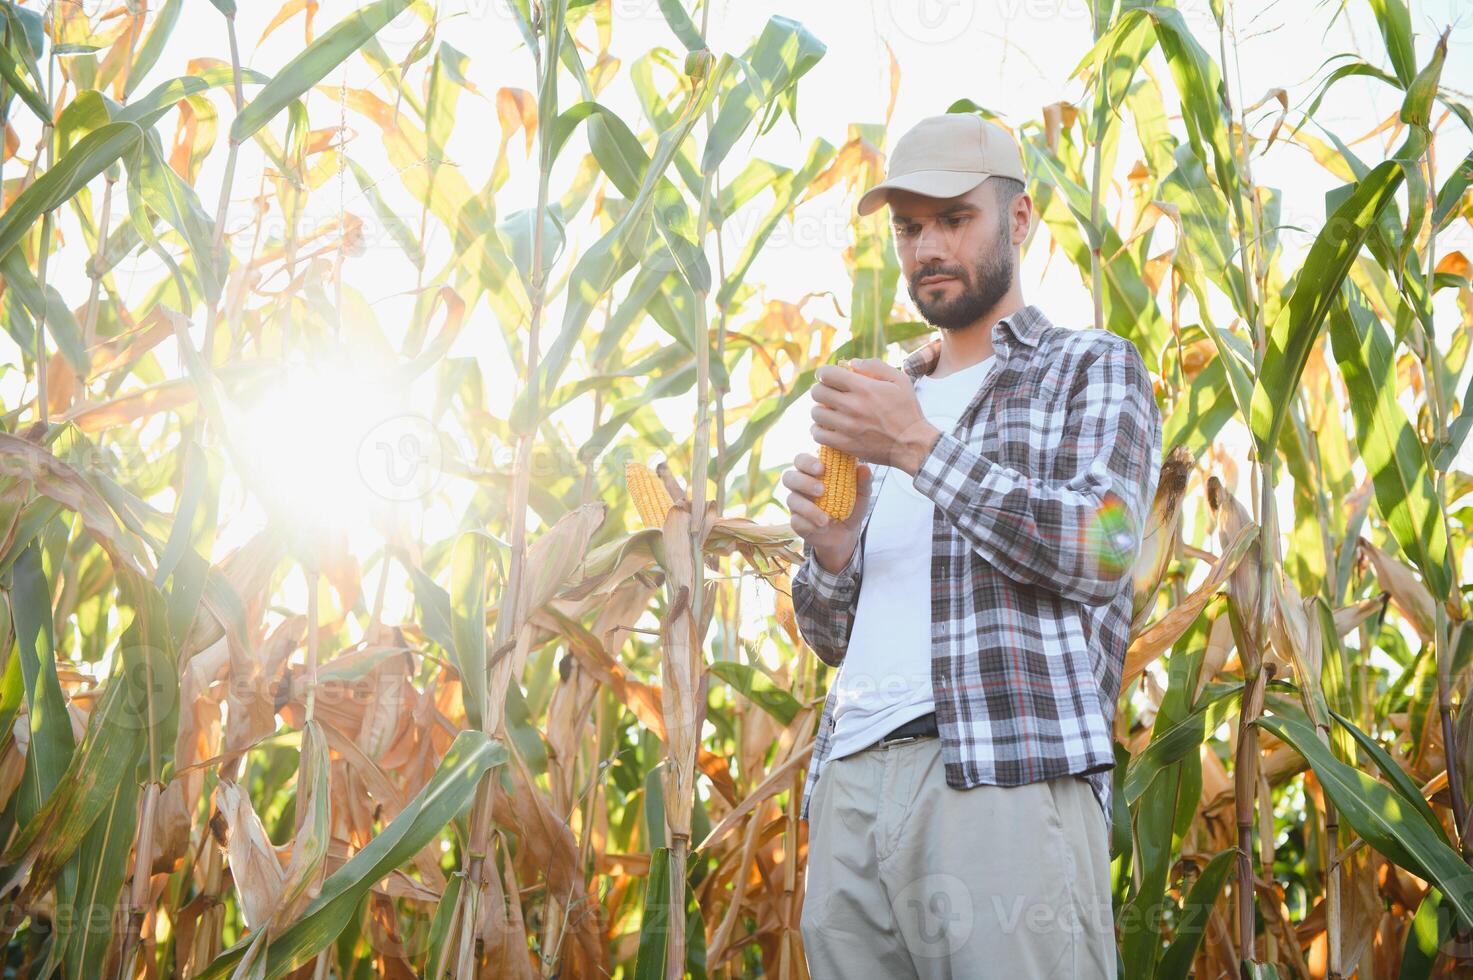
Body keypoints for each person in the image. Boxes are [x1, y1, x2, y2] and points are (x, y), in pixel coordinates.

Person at [782, 112, 1162, 979]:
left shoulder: (1088, 367)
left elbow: (1100, 552)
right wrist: (834, 554)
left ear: (1018, 220)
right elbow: (831, 635)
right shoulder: (889, 394)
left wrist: (918, 447)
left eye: (954, 219)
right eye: (908, 228)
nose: (927, 249)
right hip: (850, 782)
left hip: (1001, 775)